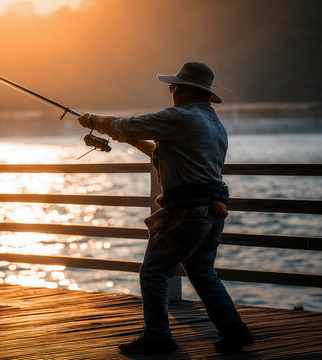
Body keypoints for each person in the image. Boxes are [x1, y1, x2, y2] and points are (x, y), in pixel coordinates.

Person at [78, 62, 253, 355]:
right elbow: (162, 154)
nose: (170, 91)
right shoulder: (213, 123)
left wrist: (93, 119)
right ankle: (234, 331)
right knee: (202, 272)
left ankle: (157, 336)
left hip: (186, 211)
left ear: (184, 89)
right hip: (211, 210)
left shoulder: (180, 116)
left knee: (154, 272)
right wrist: (134, 141)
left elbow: (125, 124)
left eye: (173, 86)